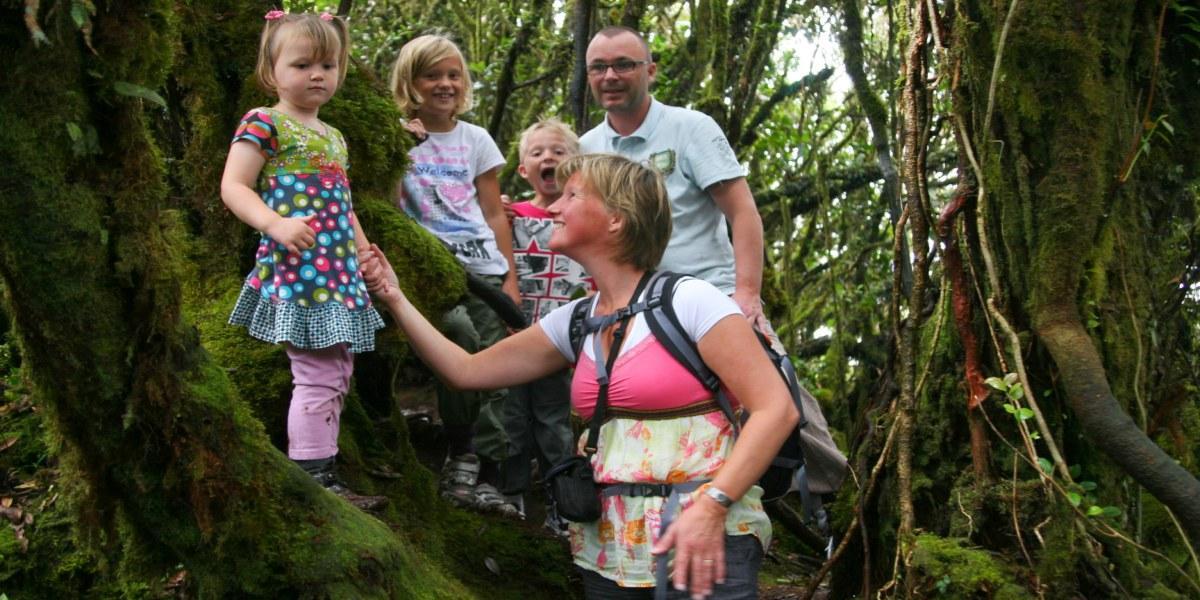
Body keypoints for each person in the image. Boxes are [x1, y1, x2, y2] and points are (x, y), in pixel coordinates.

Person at [363, 154, 798, 599]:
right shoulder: (576, 321)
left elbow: (775, 409)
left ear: (616, 220)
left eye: (572, 196)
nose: (553, 207)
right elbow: (466, 370)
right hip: (610, 547)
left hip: (703, 534)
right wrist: (394, 296)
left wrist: (714, 504)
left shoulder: (691, 301)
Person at [220, 10, 386, 510]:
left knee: (337, 368)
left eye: (328, 65)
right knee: (316, 372)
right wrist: (273, 223)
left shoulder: (334, 137)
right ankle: (315, 478)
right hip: (301, 271)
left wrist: (362, 251)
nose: (317, 74)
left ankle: (321, 466)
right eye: (302, 64)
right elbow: (233, 185)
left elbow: (344, 204)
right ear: (272, 71)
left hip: (336, 273)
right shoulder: (265, 121)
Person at [389, 33, 520, 516]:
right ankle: (462, 450)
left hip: (484, 267)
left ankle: (488, 472)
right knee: (460, 341)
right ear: (411, 81)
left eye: (453, 75)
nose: (445, 84)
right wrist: (396, 145)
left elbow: (493, 214)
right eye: (432, 75)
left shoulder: (475, 139)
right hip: (431, 270)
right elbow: (384, 203)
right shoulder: (396, 137)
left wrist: (509, 279)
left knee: (498, 371)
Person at [579, 26, 769, 334]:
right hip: (628, 311)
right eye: (598, 67)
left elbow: (742, 211)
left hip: (708, 298)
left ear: (650, 71)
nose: (610, 76)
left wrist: (747, 294)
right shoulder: (585, 149)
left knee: (767, 377)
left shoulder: (692, 128)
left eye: (624, 64)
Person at [498, 119, 593, 532]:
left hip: (562, 341)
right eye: (537, 153)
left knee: (554, 421)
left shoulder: (587, 217)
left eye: (557, 151)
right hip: (518, 334)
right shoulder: (511, 215)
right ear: (523, 170)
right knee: (512, 414)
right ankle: (511, 492)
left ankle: (562, 501)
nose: (548, 158)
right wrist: (496, 214)